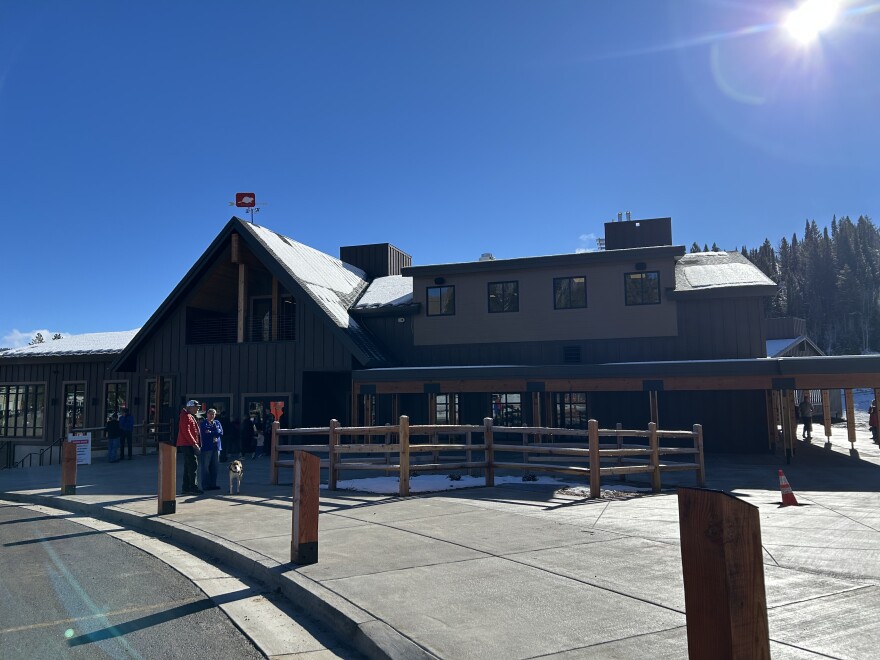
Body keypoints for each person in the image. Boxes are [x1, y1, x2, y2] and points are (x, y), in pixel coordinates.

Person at [177, 400, 202, 495]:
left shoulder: (188, 415)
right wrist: (194, 443)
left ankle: (186, 487)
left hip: (187, 443)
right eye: (196, 407)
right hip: (187, 444)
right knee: (193, 465)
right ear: (190, 407)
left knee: (188, 466)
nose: (198, 409)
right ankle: (193, 487)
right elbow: (186, 431)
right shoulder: (185, 416)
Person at [199, 408, 223, 491]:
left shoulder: (217, 422)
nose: (212, 416)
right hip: (207, 448)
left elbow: (221, 432)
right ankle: (205, 485)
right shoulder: (203, 423)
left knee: (215, 467)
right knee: (205, 467)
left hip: (216, 447)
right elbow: (205, 434)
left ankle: (213, 484)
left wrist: (211, 432)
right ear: (207, 414)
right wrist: (215, 432)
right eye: (210, 414)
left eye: (214, 414)